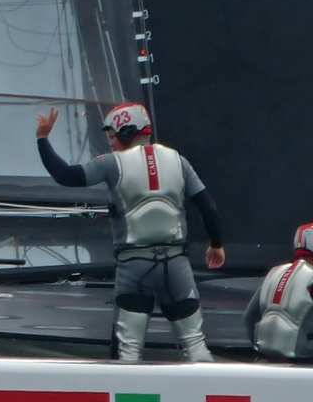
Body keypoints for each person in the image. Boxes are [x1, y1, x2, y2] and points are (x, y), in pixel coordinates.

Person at [37, 102, 225, 362]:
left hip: (134, 267)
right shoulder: (179, 161)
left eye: (112, 137)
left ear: (126, 132)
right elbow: (208, 208)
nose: (111, 144)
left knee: (128, 354)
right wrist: (216, 244)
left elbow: (65, 175)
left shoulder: (112, 164)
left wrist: (43, 139)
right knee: (196, 347)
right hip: (176, 266)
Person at [246, 223, 313, 362]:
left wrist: (260, 349)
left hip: (267, 359)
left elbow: (249, 318)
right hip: (304, 362)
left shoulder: (275, 273)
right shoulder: (310, 279)